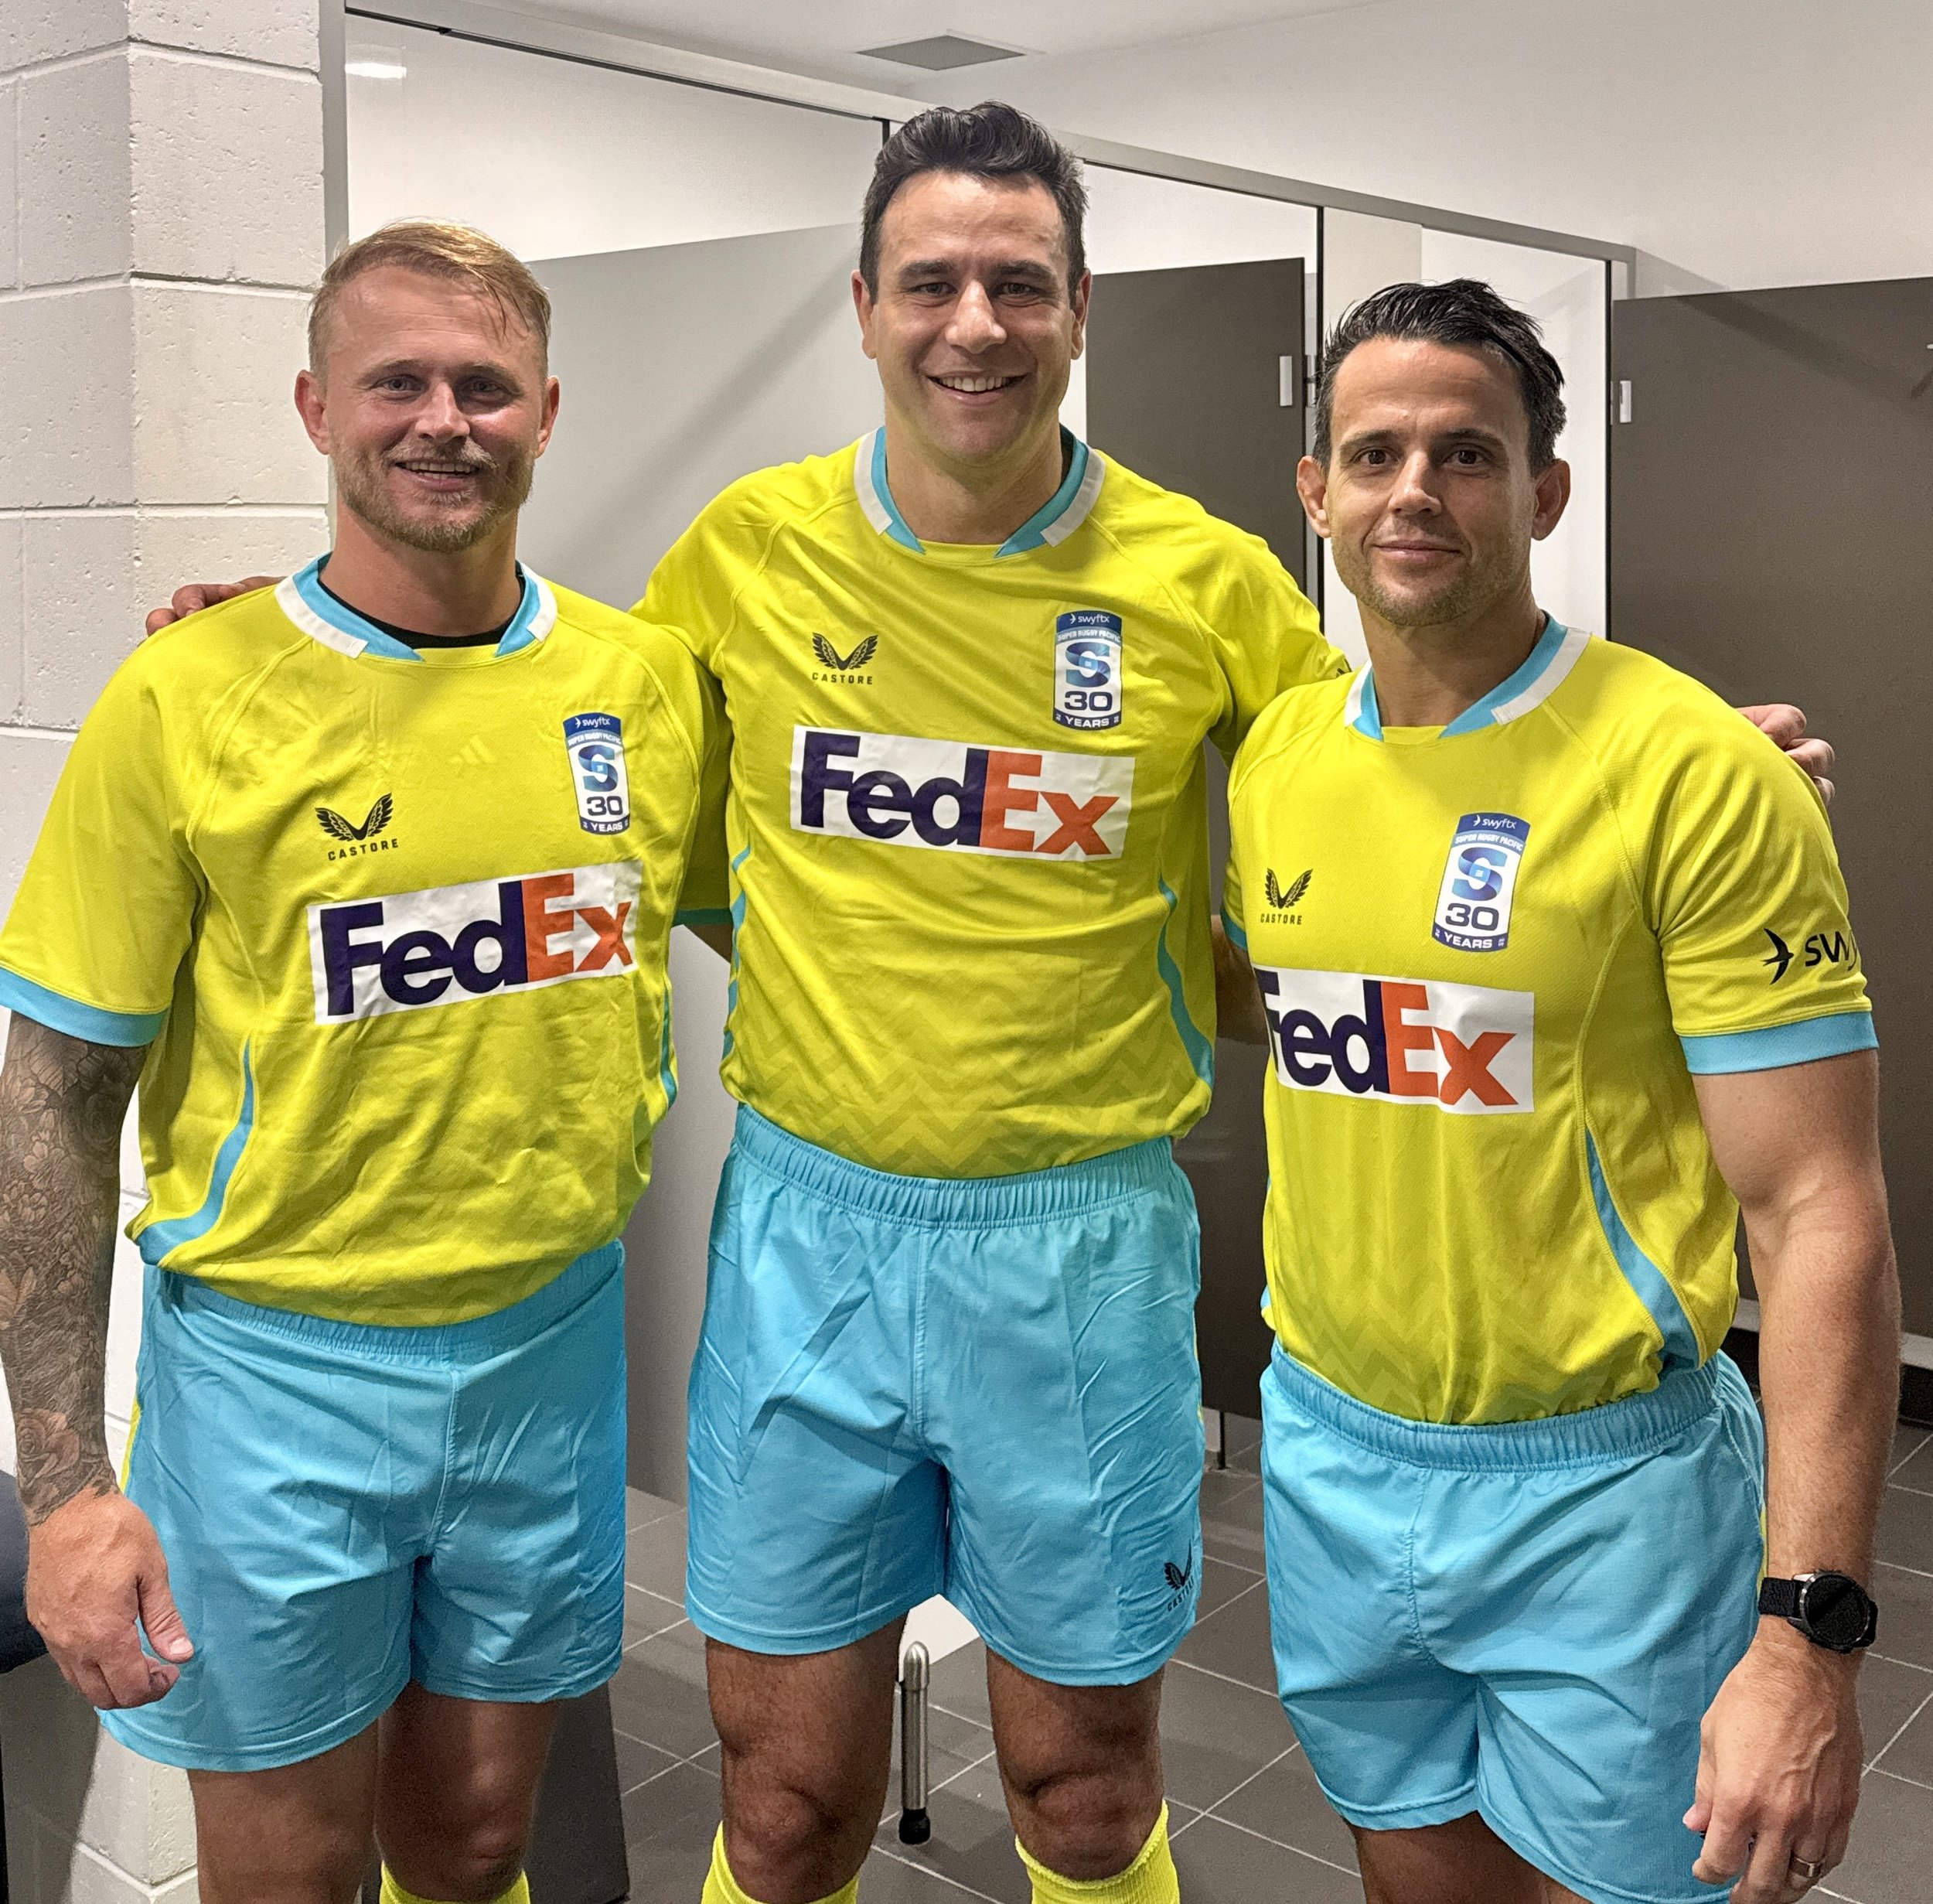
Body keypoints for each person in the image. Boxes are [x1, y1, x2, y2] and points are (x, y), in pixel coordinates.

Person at [145, 107, 1833, 1904]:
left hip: (1078, 1240)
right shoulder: (747, 553)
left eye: (1017, 282)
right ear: (863, 305)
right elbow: (550, 708)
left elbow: (1388, 779)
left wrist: (1637, 767)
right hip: (812, 1231)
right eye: (932, 280)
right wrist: (310, 632)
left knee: (1083, 1792)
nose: (974, 321)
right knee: (784, 1800)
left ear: (1076, 309)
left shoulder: (1202, 584)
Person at [0, 221, 718, 1904]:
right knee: (289, 1872)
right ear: (319, 405)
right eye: (397, 380)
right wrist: (67, 1493)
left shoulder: (646, 686)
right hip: (277, 1382)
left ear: (550, 410)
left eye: (484, 386)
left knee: (473, 1843)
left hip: (545, 1354)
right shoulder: (189, 696)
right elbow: (49, 1107)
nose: (442, 420)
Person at [1220, 278, 1897, 1904]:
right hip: (1329, 1454)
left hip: (1600, 1493)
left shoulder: (1685, 768)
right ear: (1311, 490)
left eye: (1463, 454)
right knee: (1412, 1871)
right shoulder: (1273, 762)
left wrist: (1806, 1639)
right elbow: (1301, 1006)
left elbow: (1816, 1211)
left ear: (1541, 489)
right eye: (1370, 453)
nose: (1410, 491)